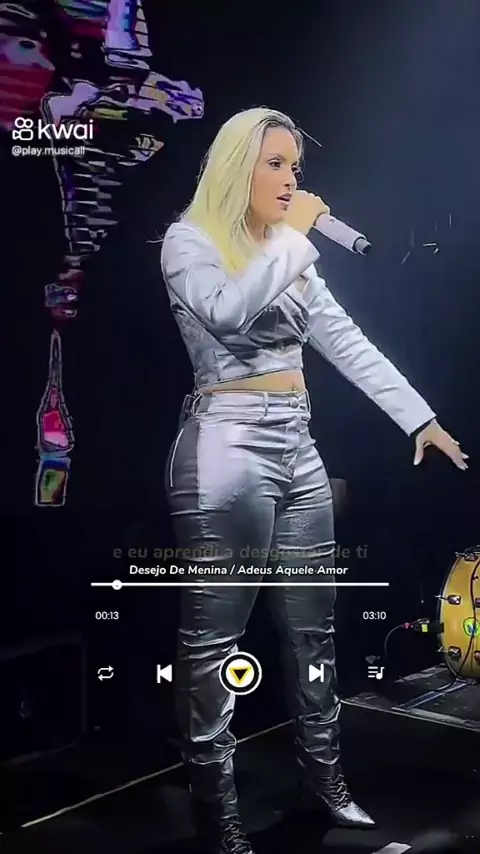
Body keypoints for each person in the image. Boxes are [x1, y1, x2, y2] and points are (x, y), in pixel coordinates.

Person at [160, 107, 467, 854]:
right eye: (275, 164)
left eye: (295, 167)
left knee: (313, 629)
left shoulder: (288, 251)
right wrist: (296, 237)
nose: (291, 179)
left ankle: (325, 783)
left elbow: (344, 339)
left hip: (298, 445)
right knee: (213, 641)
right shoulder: (189, 241)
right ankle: (217, 815)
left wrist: (418, 418)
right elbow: (227, 315)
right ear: (238, 168)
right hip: (226, 445)